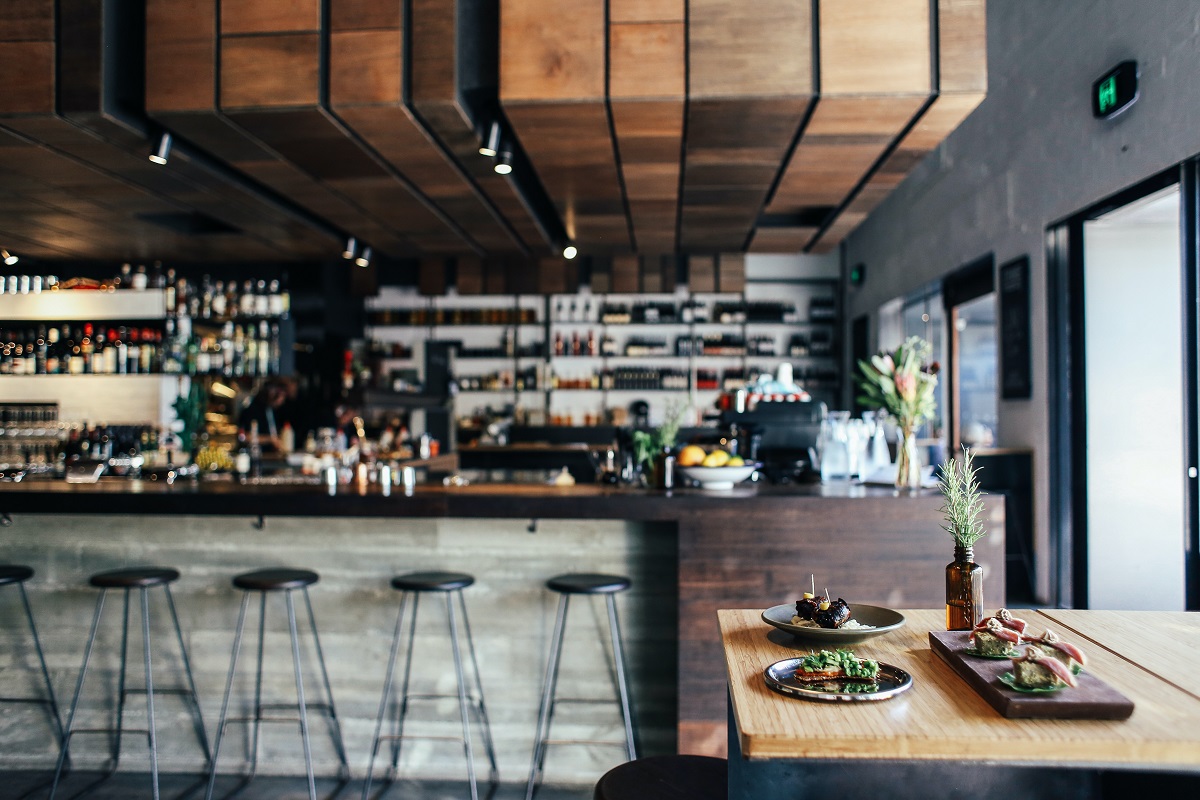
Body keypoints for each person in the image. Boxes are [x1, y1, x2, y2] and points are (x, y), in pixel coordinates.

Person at [237, 378, 292, 452]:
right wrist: (270, 439)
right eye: (282, 396)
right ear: (272, 392)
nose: (282, 400)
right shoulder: (252, 410)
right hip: (255, 454)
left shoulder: (272, 410)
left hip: (271, 456)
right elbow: (244, 437)